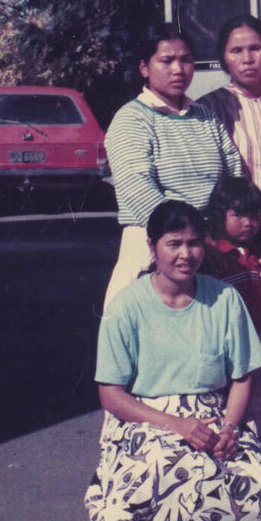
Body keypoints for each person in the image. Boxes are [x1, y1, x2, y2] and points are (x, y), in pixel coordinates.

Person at [86, 200, 261, 521]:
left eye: (193, 243)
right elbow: (111, 395)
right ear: (152, 247)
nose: (185, 254)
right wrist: (176, 425)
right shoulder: (125, 306)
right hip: (147, 420)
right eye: (173, 243)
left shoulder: (225, 299)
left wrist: (228, 429)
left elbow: (241, 378)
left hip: (214, 416)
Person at [103, 23, 244, 308]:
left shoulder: (204, 115)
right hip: (154, 247)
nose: (178, 69)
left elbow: (234, 172)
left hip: (211, 246)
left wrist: (235, 230)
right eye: (166, 61)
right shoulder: (131, 119)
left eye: (186, 59)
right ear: (144, 67)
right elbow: (139, 191)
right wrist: (195, 239)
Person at [200, 178, 261, 453]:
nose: (248, 222)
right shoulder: (215, 254)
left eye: (254, 215)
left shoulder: (258, 250)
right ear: (221, 215)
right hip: (230, 343)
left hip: (259, 335)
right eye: (239, 215)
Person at [197, 13, 261, 252]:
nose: (247, 59)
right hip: (241, 241)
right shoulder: (209, 109)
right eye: (236, 51)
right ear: (224, 58)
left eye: (255, 48)